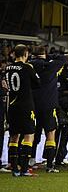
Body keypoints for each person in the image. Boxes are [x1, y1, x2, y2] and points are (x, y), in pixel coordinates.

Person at [29, 46, 67, 173]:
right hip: (48, 105)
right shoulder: (50, 66)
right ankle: (50, 165)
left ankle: (31, 160)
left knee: (32, 134)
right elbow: (63, 58)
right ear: (44, 54)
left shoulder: (29, 65)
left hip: (33, 105)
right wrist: (48, 56)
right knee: (50, 134)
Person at [5, 44, 40, 177]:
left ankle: (14, 169)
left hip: (12, 106)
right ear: (25, 54)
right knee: (28, 135)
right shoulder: (27, 67)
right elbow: (38, 83)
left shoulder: (7, 68)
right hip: (26, 105)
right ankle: (24, 169)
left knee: (14, 136)